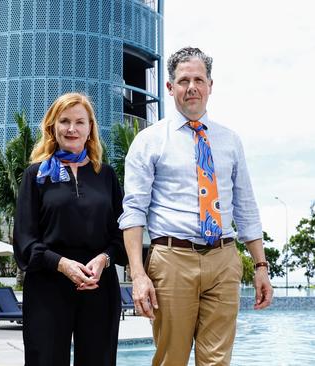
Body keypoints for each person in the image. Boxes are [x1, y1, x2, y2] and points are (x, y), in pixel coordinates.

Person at [119, 47, 273, 366]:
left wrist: (261, 266)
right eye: (184, 80)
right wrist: (138, 275)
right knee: (171, 359)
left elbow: (245, 206)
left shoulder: (230, 141)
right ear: (170, 87)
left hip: (224, 259)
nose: (192, 87)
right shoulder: (149, 141)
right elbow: (133, 212)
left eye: (199, 80)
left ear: (210, 85)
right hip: (172, 260)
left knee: (217, 361)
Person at [14, 92, 127, 366]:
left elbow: (122, 235)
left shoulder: (107, 175)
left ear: (90, 129)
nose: (72, 128)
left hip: (99, 285)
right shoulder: (35, 175)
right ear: (53, 127)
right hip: (47, 286)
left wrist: (104, 259)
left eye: (80, 121)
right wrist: (62, 264)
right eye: (64, 121)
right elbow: (24, 239)